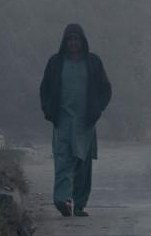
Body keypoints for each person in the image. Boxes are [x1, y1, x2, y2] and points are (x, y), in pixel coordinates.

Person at [39, 23, 112, 218]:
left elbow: (106, 89)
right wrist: (48, 110)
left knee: (82, 165)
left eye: (76, 39)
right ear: (65, 42)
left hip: (85, 123)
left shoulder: (93, 62)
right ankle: (61, 200)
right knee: (63, 160)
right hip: (62, 120)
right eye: (70, 40)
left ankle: (79, 205)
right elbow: (44, 88)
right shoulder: (55, 63)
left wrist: (98, 109)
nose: (73, 43)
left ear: (82, 42)